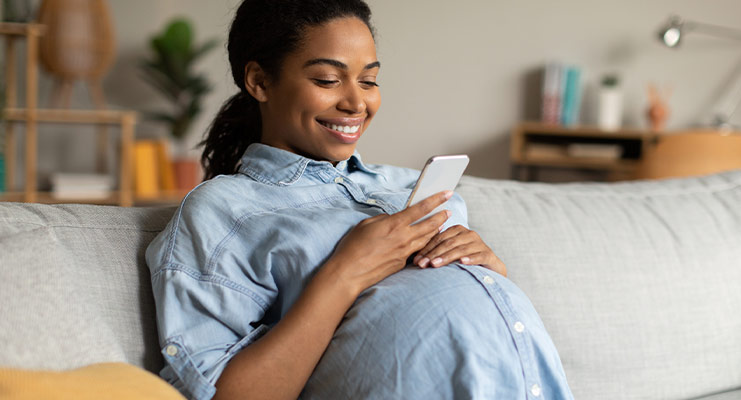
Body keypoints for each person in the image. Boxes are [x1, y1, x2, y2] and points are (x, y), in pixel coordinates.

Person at [146, 0, 574, 399]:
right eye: (328, 80)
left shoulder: (410, 187)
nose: (356, 102)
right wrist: (344, 274)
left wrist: (490, 271)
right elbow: (223, 393)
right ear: (259, 81)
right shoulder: (223, 212)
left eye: (369, 80)